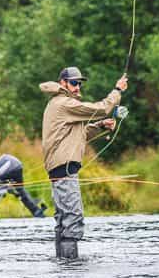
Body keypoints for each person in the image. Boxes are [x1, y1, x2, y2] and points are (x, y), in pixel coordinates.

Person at [41, 66, 127, 259]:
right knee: (72, 219)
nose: (78, 87)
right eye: (74, 83)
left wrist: (100, 126)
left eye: (79, 83)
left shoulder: (60, 105)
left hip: (60, 170)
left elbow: (79, 134)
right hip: (64, 171)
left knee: (63, 220)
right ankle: (71, 268)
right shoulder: (64, 104)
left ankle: (62, 265)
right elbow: (101, 108)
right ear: (62, 83)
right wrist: (118, 91)